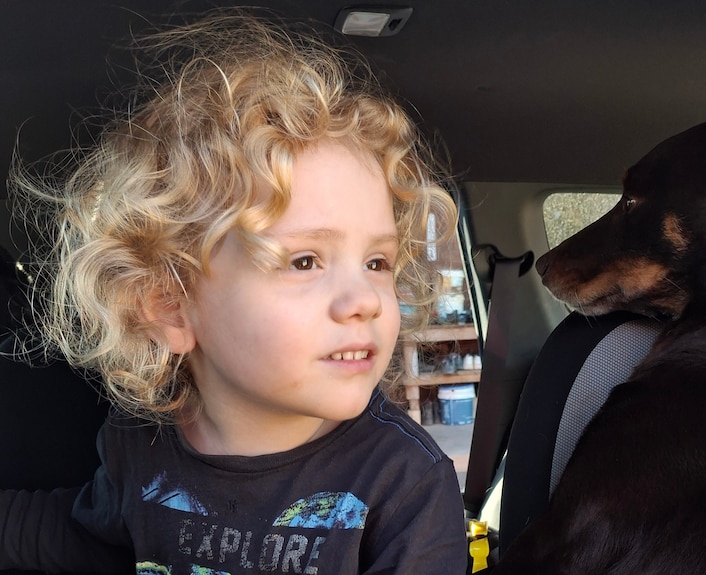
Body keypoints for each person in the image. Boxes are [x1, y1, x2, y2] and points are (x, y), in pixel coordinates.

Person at [1, 12, 467, 574]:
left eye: (377, 262)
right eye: (304, 260)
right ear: (171, 306)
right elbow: (83, 539)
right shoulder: (140, 448)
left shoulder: (405, 484)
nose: (365, 299)